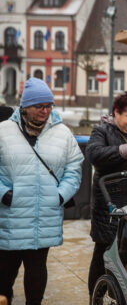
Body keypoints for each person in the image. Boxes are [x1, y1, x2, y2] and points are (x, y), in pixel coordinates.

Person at [0, 78, 83, 305]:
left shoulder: (63, 133)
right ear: (25, 107)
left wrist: (60, 195)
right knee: (4, 277)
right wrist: (4, 194)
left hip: (43, 218)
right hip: (10, 218)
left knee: (36, 273)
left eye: (49, 106)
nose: (45, 111)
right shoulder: (4, 131)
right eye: (39, 106)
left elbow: (74, 170)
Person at [86, 91, 127, 296]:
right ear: (116, 113)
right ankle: (96, 295)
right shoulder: (101, 131)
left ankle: (121, 294)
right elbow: (94, 154)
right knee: (103, 254)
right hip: (109, 209)